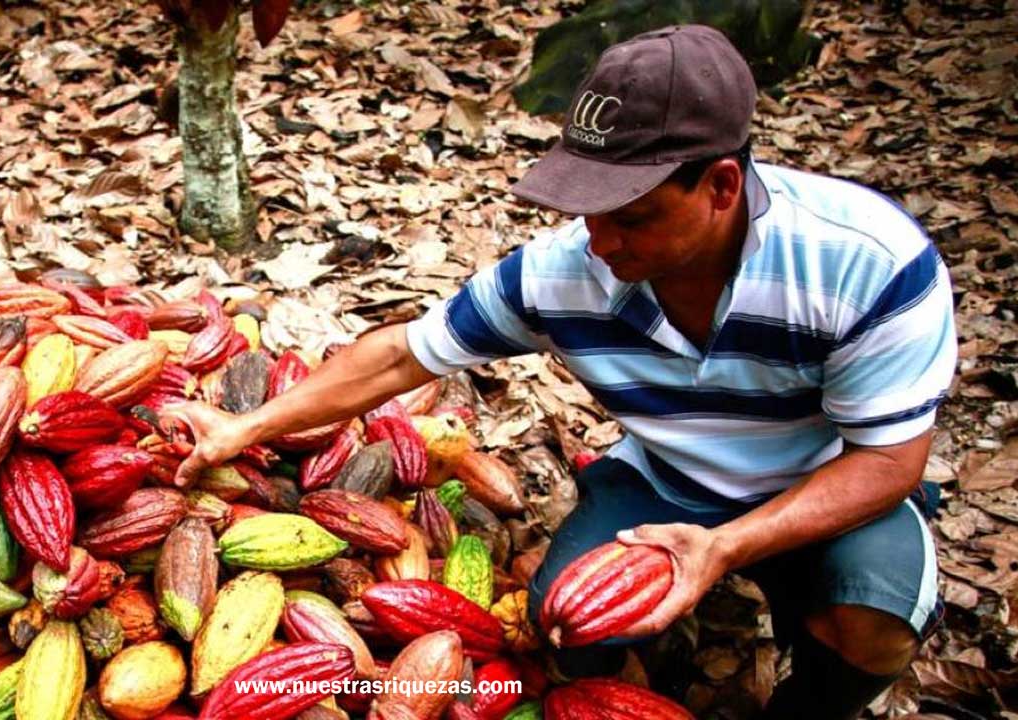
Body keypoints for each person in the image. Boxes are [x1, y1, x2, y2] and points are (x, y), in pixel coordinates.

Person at [167, 24, 956, 720]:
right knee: (568, 628)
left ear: (722, 185)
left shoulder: (864, 263)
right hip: (667, 480)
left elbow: (888, 461)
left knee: (872, 626)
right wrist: (247, 426)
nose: (601, 244)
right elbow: (404, 353)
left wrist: (727, 548)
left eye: (634, 214)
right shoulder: (565, 272)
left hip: (823, 483)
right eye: (587, 210)